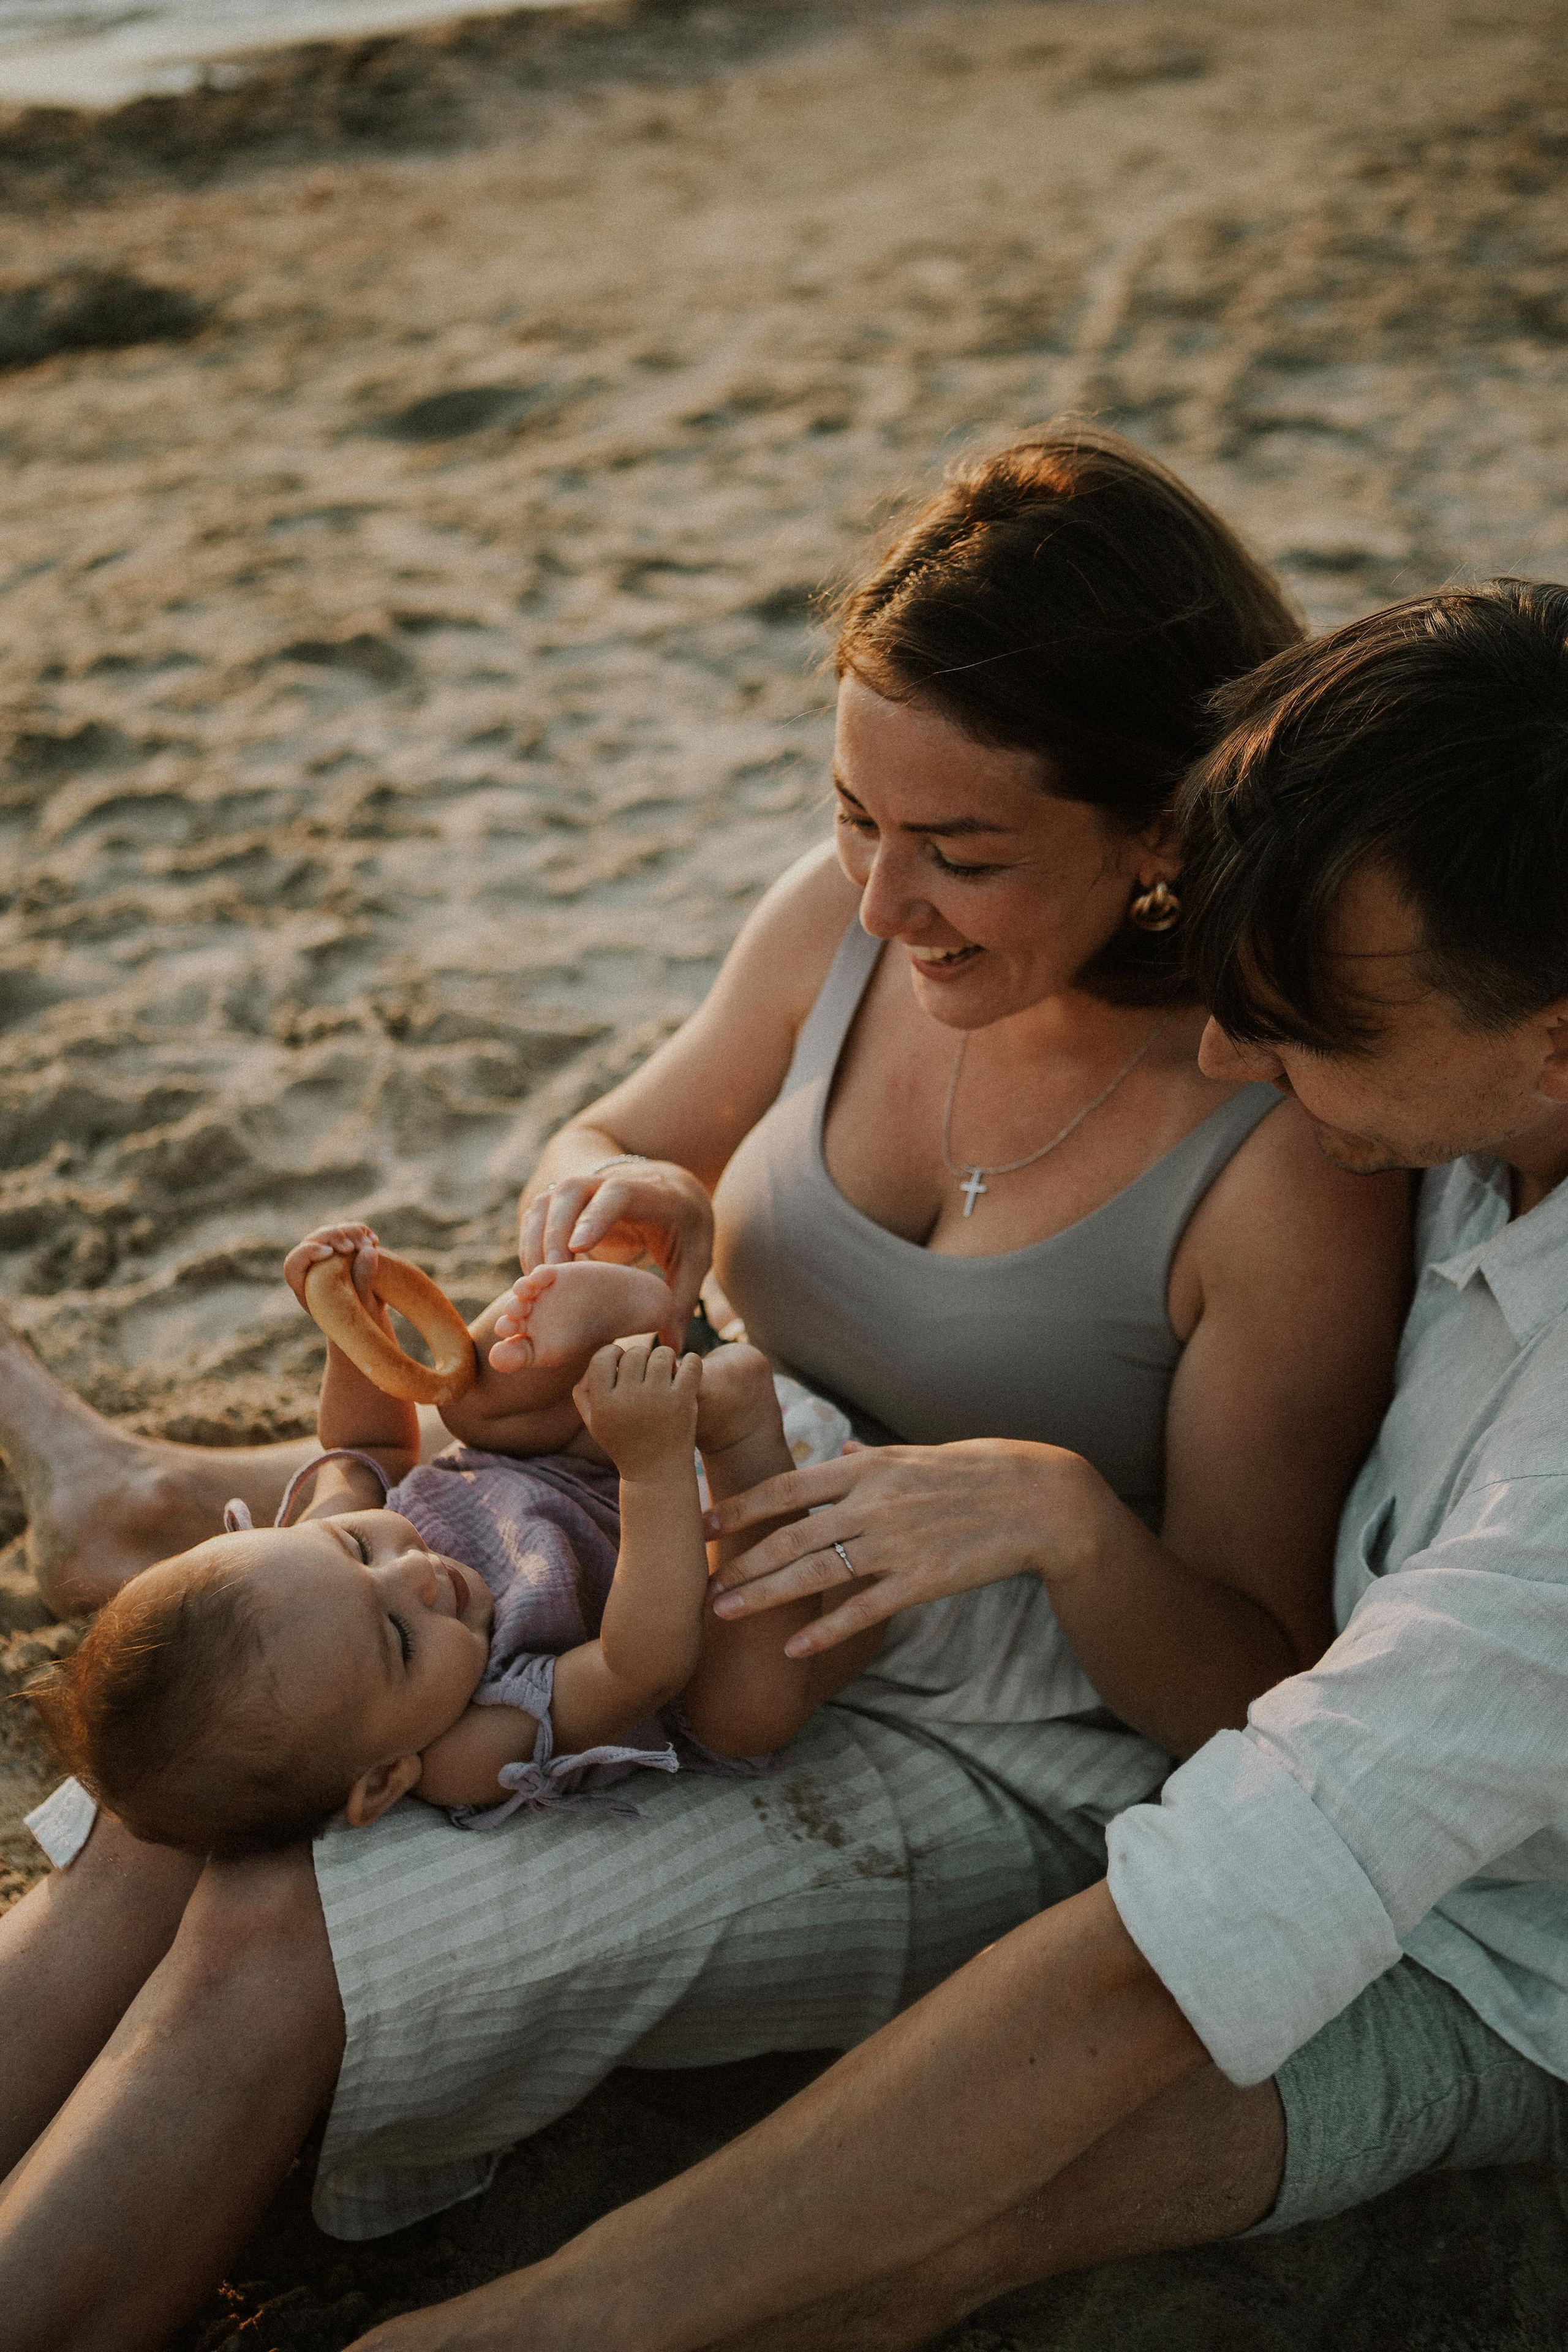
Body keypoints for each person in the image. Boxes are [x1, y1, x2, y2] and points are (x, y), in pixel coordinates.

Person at [0, 427, 1407, 2352]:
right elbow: (617, 1137)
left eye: (961, 853)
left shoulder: (1277, 1157)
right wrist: (623, 1230)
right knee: (209, 1775)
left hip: (977, 1730)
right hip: (655, 1529)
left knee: (283, 1928)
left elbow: (1254, 1688)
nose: (887, 903)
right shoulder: (840, 923)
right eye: (855, 818)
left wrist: (1062, 1516)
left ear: (1163, 830)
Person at [339, 578, 1568, 2352]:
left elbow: (1198, 1923)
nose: (1228, 1056)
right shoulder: (1467, 1062)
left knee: (929, 2244)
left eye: (1307, 1024)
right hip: (1300, 1801)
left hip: (1507, 1966)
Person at [28, 1226, 874, 1856]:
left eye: (360, 1551)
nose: (417, 1578)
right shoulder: (468, 1749)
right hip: (697, 1577)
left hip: (591, 1471)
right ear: (383, 1777)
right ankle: (744, 1440)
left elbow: (372, 1452)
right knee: (741, 1711)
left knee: (470, 1408)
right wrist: (655, 1467)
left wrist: (352, 1326)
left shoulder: (311, 1561)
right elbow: (640, 1663)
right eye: (398, 1640)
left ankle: (628, 1317)